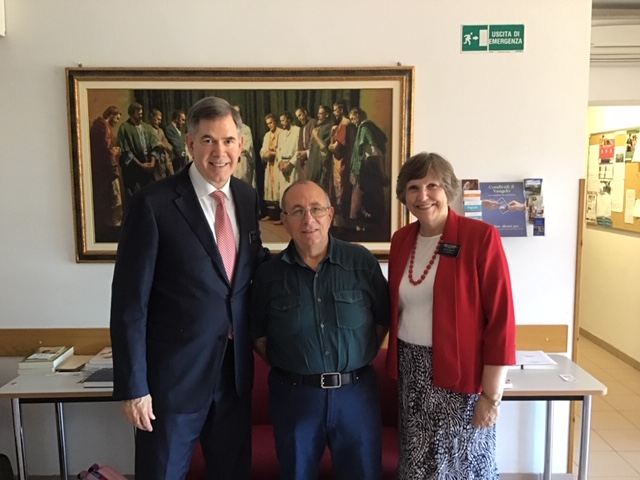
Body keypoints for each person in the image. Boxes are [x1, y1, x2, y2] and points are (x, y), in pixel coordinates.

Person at [110, 96, 268, 479]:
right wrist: (133, 387)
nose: (219, 152)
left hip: (233, 379)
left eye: (228, 141)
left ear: (241, 144)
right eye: (208, 140)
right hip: (171, 384)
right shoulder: (153, 204)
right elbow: (130, 304)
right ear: (190, 143)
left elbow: (249, 268)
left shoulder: (247, 197)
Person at [386, 152, 516, 479]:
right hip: (413, 375)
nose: (423, 196)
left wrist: (492, 396)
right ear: (404, 195)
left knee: (462, 468)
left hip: (462, 379)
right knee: (417, 467)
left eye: (432, 185)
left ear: (448, 189)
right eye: (413, 187)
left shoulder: (480, 237)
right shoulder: (402, 240)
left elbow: (501, 320)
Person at [250, 180, 390, 480]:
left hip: (356, 396)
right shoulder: (267, 275)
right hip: (295, 398)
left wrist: (352, 358)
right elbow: (259, 337)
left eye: (316, 209)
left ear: (330, 214)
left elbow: (382, 321)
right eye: (297, 211)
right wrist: (299, 364)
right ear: (284, 219)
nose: (308, 219)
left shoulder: (361, 263)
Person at [348, 107, 388, 225]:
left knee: (370, 202)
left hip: (369, 171)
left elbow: (374, 153)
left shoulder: (365, 129)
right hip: (367, 170)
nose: (352, 121)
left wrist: (382, 174)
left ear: (358, 115)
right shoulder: (363, 128)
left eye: (353, 118)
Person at [89, 106, 122, 233]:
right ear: (111, 115)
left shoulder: (98, 125)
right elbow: (105, 151)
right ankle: (114, 229)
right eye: (116, 118)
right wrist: (115, 152)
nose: (117, 121)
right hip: (107, 170)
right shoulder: (104, 127)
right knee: (114, 200)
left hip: (102, 169)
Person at [116, 102, 157, 201]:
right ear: (132, 114)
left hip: (148, 168)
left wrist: (152, 162)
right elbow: (126, 151)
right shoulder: (125, 128)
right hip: (134, 169)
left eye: (141, 113)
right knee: (136, 198)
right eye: (138, 113)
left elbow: (154, 145)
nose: (140, 115)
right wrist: (140, 165)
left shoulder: (147, 127)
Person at [259, 113, 281, 219]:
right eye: (267, 124)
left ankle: (280, 214)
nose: (269, 125)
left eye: (271, 123)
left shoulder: (281, 133)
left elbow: (282, 149)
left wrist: (274, 153)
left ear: (275, 122)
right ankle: (271, 214)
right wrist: (265, 154)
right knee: (270, 188)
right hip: (270, 164)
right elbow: (263, 150)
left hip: (277, 163)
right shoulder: (267, 135)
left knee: (278, 188)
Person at [232, 105, 256, 188]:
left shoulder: (246, 129)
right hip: (233, 160)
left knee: (244, 184)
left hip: (243, 160)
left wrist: (240, 150)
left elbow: (248, 145)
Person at [147, 108, 175, 181]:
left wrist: (163, 145)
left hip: (164, 162)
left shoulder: (160, 131)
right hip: (155, 164)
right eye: (158, 119)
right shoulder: (147, 129)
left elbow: (168, 146)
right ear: (152, 117)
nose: (159, 121)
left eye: (160, 120)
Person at [295, 107, 317, 180]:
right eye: (297, 117)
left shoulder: (313, 123)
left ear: (305, 112)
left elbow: (314, 142)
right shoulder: (302, 127)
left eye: (300, 115)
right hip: (304, 161)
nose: (299, 118)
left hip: (312, 159)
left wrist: (306, 152)